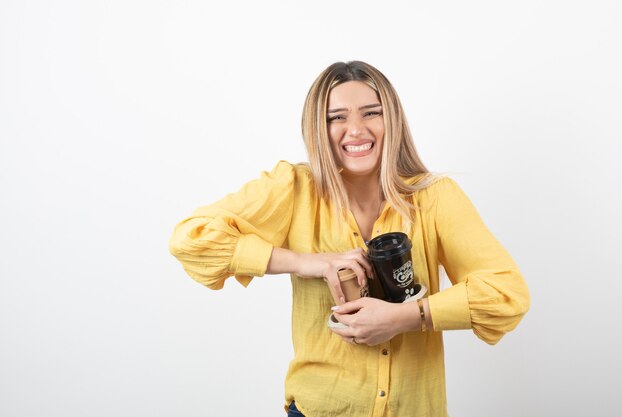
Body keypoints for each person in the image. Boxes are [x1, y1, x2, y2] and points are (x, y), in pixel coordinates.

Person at [168, 61, 530, 417]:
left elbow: (505, 294)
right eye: (336, 117)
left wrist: (407, 316)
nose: (355, 130)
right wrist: (310, 262)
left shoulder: (435, 197)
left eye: (371, 113)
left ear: (392, 121)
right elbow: (191, 239)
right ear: (318, 129)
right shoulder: (294, 189)